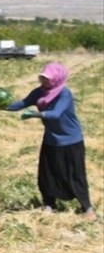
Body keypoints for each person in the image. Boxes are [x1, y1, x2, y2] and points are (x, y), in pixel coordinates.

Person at [5, 62, 96, 220]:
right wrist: (1, 106)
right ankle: (49, 204)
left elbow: (56, 113)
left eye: (47, 79)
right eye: (42, 78)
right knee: (47, 174)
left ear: (57, 78)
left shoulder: (64, 93)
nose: (44, 81)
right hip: (51, 139)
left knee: (75, 175)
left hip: (71, 140)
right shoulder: (39, 92)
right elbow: (22, 103)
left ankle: (87, 208)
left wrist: (36, 115)